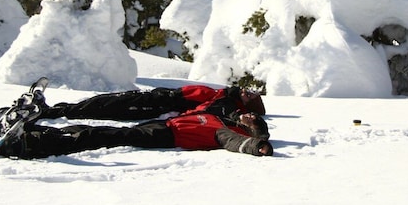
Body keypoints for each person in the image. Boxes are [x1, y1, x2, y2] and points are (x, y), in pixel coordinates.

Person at [0, 110, 273, 159]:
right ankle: (39, 131)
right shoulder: (219, 117)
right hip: (161, 127)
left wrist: (257, 145)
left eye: (253, 119)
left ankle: (30, 146)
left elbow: (238, 143)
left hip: (163, 138)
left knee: (102, 137)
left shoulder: (225, 132)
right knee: (100, 131)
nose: (248, 115)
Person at [38, 84, 266, 122]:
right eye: (251, 91)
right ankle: (58, 109)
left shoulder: (226, 102)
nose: (248, 91)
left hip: (159, 105)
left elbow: (217, 111)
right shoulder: (224, 91)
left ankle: (54, 113)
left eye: (251, 95)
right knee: (106, 100)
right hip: (159, 95)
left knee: (108, 107)